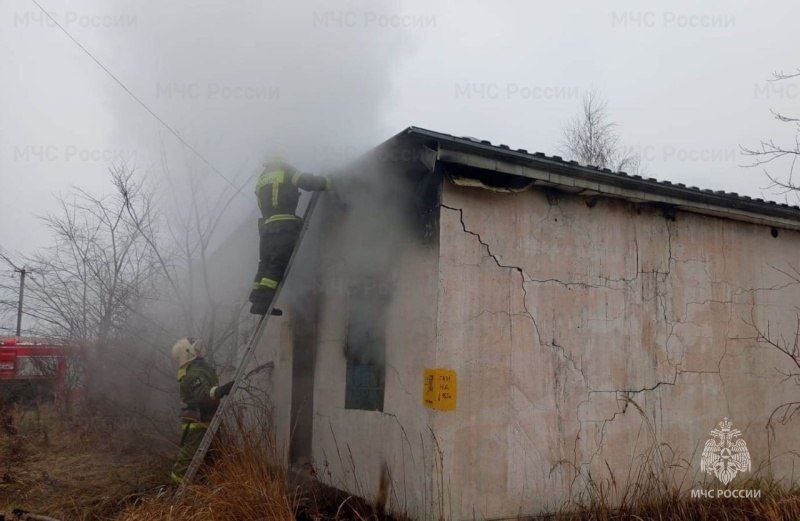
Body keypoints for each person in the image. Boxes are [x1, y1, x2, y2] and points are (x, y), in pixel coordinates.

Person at [249, 157, 331, 314]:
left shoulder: (263, 177)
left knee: (264, 263)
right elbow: (307, 182)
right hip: (283, 226)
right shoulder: (286, 170)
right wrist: (327, 182)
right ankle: (263, 301)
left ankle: (256, 297)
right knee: (277, 264)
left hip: (266, 229)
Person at [169, 336, 233, 484]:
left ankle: (209, 496)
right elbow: (204, 396)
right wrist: (221, 390)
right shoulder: (192, 374)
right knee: (186, 464)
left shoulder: (200, 369)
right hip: (198, 424)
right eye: (196, 348)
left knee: (214, 462)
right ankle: (177, 498)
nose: (200, 350)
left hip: (208, 421)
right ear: (189, 353)